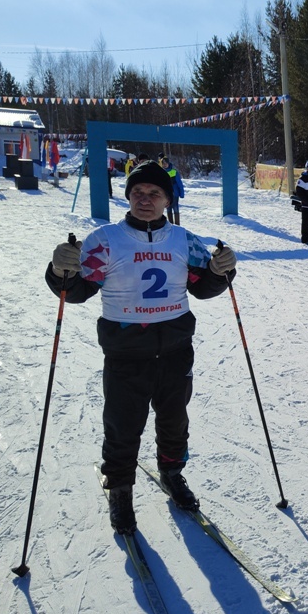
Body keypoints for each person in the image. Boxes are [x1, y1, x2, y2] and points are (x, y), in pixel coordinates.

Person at [44, 161, 237, 535]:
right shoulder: (105, 240)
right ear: (128, 196)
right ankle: (120, 489)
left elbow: (203, 288)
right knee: (122, 426)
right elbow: (77, 291)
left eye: (154, 194)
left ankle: (171, 472)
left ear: (167, 199)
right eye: (137, 193)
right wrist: (60, 270)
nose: (144, 200)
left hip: (176, 349)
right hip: (126, 353)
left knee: (174, 419)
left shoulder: (184, 240)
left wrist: (220, 271)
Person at [158, 154, 185, 225]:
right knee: (168, 208)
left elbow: (179, 183)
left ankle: (177, 224)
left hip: (175, 193)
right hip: (166, 194)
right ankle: (170, 224)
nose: (165, 165)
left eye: (166, 163)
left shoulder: (174, 171)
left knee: (175, 208)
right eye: (163, 164)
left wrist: (181, 193)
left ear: (168, 163)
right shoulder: (161, 172)